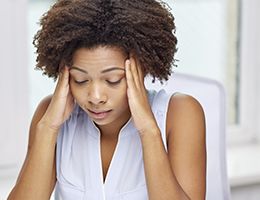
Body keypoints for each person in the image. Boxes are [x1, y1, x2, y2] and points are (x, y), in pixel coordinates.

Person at [8, 0, 206, 199]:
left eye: (112, 80)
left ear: (142, 67)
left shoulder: (180, 114)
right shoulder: (51, 116)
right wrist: (48, 129)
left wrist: (148, 131)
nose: (95, 97)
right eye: (81, 80)